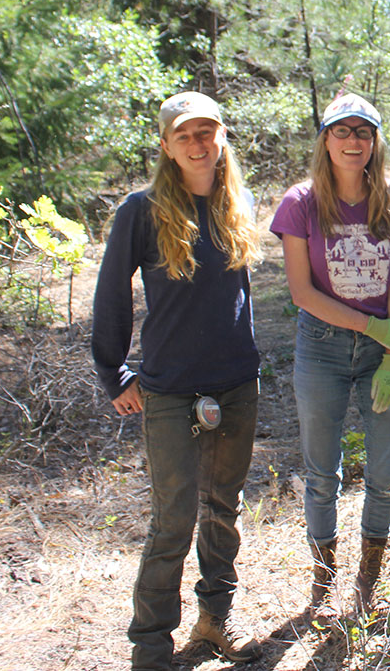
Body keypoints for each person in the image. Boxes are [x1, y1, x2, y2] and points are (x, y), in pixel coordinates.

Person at [92, 91, 264, 670]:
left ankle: (217, 618)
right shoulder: (141, 211)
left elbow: (236, 297)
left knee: (224, 509)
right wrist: (114, 371)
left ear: (221, 139)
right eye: (184, 135)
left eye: (207, 132)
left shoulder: (234, 202)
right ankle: (151, 646)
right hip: (169, 389)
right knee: (174, 518)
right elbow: (112, 294)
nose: (197, 143)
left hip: (236, 383)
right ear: (166, 145)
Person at [270, 93, 390, 618]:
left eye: (363, 132)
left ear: (375, 141)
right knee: (322, 473)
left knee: (383, 470)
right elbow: (302, 293)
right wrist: (370, 324)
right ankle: (322, 583)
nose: (353, 141)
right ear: (325, 140)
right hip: (323, 348)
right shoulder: (300, 203)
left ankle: (367, 583)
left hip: (382, 348)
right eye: (342, 131)